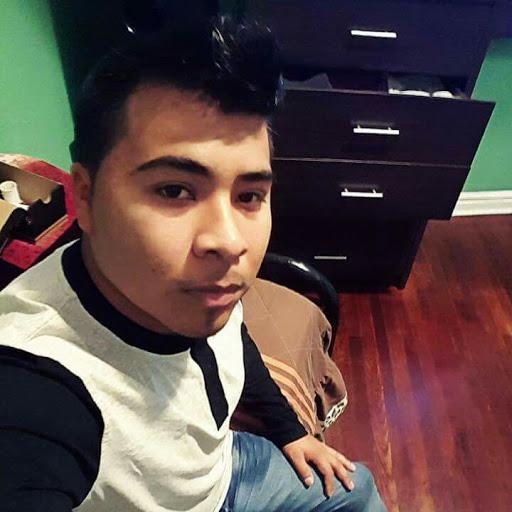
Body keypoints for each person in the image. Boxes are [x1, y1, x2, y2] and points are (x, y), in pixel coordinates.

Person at [0, 15, 387, 512]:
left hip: (226, 472)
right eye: (174, 190)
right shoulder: (35, 385)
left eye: (249, 195)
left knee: (358, 489)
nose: (229, 243)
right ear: (86, 197)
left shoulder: (196, 290)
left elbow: (234, 342)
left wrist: (290, 432)